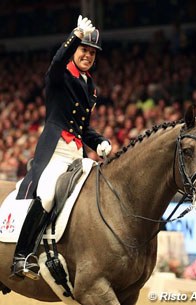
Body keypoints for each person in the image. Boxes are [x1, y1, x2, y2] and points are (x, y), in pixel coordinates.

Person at [10, 15, 112, 281]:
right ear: (75, 50)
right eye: (83, 50)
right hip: (56, 150)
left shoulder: (91, 88)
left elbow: (83, 127)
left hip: (77, 153)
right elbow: (56, 61)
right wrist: (75, 35)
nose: (87, 56)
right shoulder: (60, 75)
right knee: (46, 195)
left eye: (92, 52)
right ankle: (21, 257)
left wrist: (99, 140)